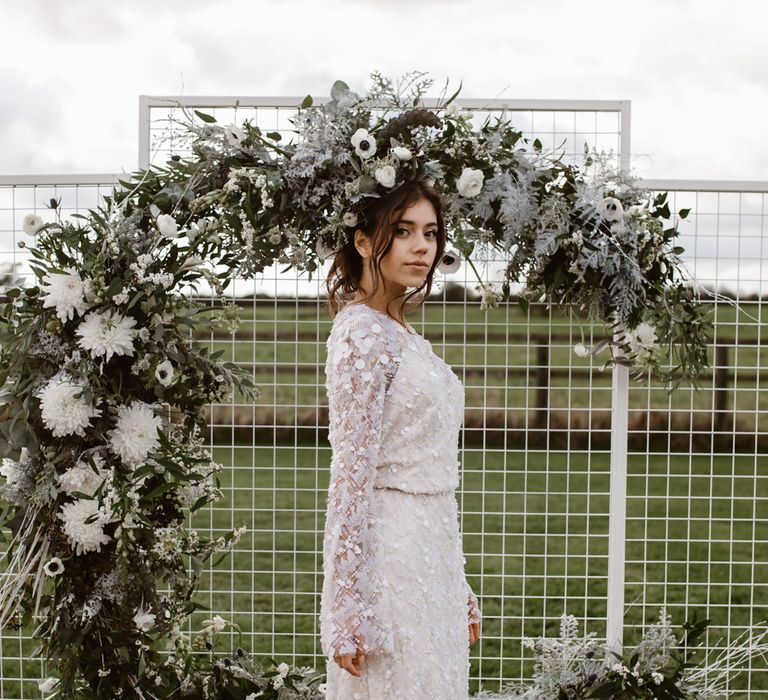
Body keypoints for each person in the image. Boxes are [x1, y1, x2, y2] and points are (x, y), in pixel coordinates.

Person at [319, 180, 481, 699]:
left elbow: (434, 477)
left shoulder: (404, 333)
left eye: (430, 234)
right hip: (389, 558)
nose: (422, 247)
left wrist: (458, 585)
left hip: (432, 550)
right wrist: (345, 608)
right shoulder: (361, 334)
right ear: (364, 241)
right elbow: (349, 476)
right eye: (404, 231)